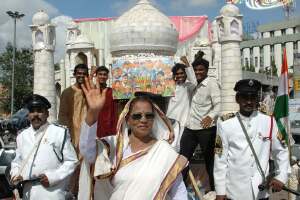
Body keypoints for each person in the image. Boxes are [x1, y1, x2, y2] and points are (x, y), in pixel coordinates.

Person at [78, 76, 188, 200]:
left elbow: (179, 192)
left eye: (149, 116)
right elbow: (87, 152)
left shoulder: (165, 153)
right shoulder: (114, 146)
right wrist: (93, 112)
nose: (143, 120)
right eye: (137, 116)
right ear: (127, 120)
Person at [214, 79, 290, 200]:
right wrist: (220, 190)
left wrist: (281, 176)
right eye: (244, 97)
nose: (249, 102)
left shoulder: (269, 121)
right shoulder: (225, 124)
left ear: (257, 99)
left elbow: (281, 150)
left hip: (261, 191)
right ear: (237, 99)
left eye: (253, 97)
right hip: (235, 192)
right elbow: (220, 159)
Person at [10, 94, 78, 200]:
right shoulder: (22, 136)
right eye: (32, 111)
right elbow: (17, 162)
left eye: (40, 110)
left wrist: (53, 177)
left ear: (47, 113)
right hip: (28, 192)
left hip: (52, 192)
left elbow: (72, 161)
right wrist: (15, 174)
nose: (35, 114)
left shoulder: (59, 132)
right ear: (28, 115)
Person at [180, 51, 221, 190]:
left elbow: (219, 104)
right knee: (183, 159)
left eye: (201, 70)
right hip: (190, 128)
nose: (198, 72)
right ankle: (179, 189)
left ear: (206, 71)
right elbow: (190, 76)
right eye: (196, 70)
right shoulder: (192, 84)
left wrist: (211, 116)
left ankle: (216, 190)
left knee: (210, 160)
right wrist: (186, 64)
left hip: (206, 129)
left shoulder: (212, 84)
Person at [166, 56, 197, 151]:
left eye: (182, 73)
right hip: (169, 121)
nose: (179, 75)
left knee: (180, 147)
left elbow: (194, 82)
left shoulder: (188, 87)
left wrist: (187, 63)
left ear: (186, 74)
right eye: (177, 74)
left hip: (183, 122)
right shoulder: (170, 87)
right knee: (169, 146)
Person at [58, 63, 89, 150]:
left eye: (84, 74)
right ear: (74, 74)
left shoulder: (90, 92)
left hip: (88, 130)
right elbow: (62, 115)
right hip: (73, 131)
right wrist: (66, 133)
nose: (81, 75)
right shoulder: (67, 92)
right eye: (79, 73)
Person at [95, 66, 118, 138]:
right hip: (96, 127)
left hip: (110, 127)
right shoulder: (92, 92)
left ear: (107, 77)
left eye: (104, 74)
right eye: (100, 74)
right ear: (96, 76)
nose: (102, 76)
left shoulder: (112, 92)